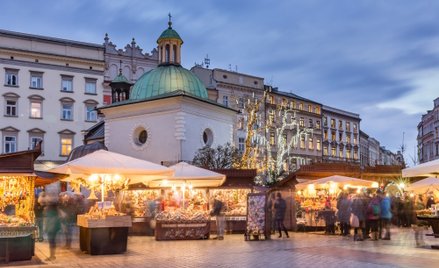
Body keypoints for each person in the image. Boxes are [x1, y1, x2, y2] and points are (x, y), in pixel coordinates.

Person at [43, 192, 61, 261]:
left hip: (52, 228)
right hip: (52, 227)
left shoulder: (51, 210)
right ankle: (52, 255)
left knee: (52, 241)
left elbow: (51, 220)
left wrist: (49, 228)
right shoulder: (54, 209)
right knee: (52, 241)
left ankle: (52, 256)